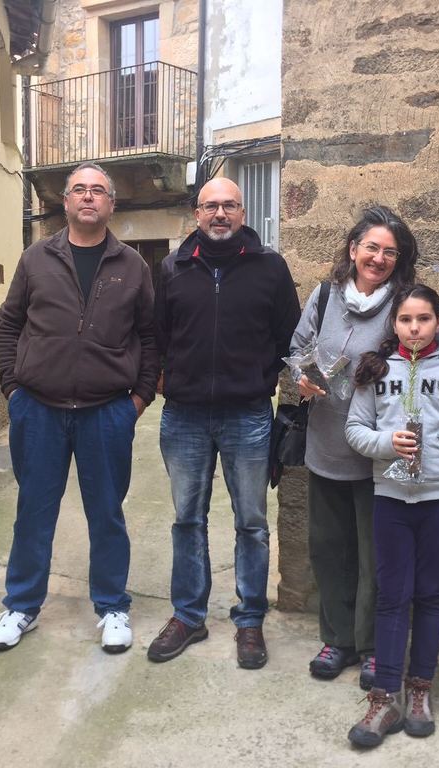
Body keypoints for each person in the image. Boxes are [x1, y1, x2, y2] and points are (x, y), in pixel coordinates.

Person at [290, 206, 439, 689]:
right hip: (327, 445)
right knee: (328, 549)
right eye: (370, 247)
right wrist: (299, 375)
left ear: (399, 260)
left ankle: (375, 647)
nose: (377, 258)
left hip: (386, 463)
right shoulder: (323, 296)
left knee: (376, 559)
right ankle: (337, 639)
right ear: (353, 249)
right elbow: (298, 349)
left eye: (389, 252)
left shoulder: (405, 305)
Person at [0, 162, 157, 654]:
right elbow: (8, 325)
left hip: (107, 411)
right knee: (33, 511)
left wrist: (138, 399)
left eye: (98, 191)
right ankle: (21, 606)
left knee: (106, 512)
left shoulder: (132, 266)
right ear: (65, 203)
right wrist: (12, 390)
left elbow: (149, 337)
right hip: (38, 409)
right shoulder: (36, 259)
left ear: (110, 204)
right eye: (79, 190)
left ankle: (112, 607)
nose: (88, 197)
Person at [147, 177, 300, 669]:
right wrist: (160, 383)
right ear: (196, 214)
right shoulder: (171, 269)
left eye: (229, 205)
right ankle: (188, 615)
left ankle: (249, 619)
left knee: (251, 523)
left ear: (243, 212)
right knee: (187, 520)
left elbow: (288, 339)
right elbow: (155, 337)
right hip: (185, 416)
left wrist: (261, 381)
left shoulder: (270, 269)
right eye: (210, 206)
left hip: (248, 416)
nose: (220, 214)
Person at [344, 284, 439, 747]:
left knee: (430, 596)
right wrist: (386, 445)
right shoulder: (376, 369)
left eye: (424, 319)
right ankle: (384, 696)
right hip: (390, 500)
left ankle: (420, 688)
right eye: (406, 320)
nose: (415, 327)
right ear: (395, 324)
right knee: (391, 595)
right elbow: (355, 429)